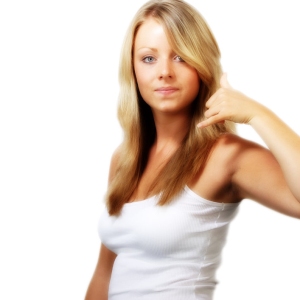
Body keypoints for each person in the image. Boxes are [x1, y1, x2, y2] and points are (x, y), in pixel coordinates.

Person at [84, 0, 300, 299]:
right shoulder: (124, 159)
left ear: (201, 65)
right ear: (132, 68)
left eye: (180, 57)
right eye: (148, 58)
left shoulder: (225, 155)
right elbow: (105, 273)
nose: (164, 72)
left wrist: (259, 115)